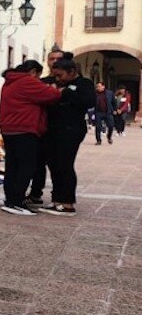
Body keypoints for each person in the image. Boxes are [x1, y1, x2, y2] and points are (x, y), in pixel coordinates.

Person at [0, 62, 63, 216]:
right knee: (26, 166)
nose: (39, 79)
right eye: (38, 76)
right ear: (34, 71)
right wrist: (56, 88)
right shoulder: (27, 80)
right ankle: (16, 200)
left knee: (13, 165)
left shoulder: (10, 81)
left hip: (9, 128)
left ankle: (10, 198)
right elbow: (52, 95)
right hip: (24, 128)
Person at [39, 58, 96, 216]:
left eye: (60, 75)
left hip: (71, 129)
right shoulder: (53, 82)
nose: (58, 79)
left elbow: (89, 102)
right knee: (54, 165)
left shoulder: (84, 84)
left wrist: (67, 92)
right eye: (55, 75)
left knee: (65, 164)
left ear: (72, 72)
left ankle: (68, 203)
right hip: (52, 129)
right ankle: (57, 200)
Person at [28, 52, 67, 207]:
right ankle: (35, 193)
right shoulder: (41, 82)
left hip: (62, 129)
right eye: (52, 59)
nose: (55, 61)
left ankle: (58, 196)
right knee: (38, 163)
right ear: (47, 61)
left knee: (58, 164)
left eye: (58, 59)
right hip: (42, 127)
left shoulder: (71, 82)